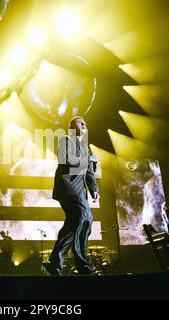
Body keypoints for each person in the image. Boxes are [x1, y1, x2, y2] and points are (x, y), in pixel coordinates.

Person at [43, 116, 100, 276]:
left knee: (74, 224)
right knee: (85, 217)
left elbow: (89, 172)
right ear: (71, 127)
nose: (84, 123)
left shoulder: (86, 148)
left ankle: (55, 262)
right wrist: (88, 159)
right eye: (79, 122)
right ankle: (83, 265)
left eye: (85, 122)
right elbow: (67, 160)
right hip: (68, 188)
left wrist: (94, 188)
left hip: (80, 190)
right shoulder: (65, 140)